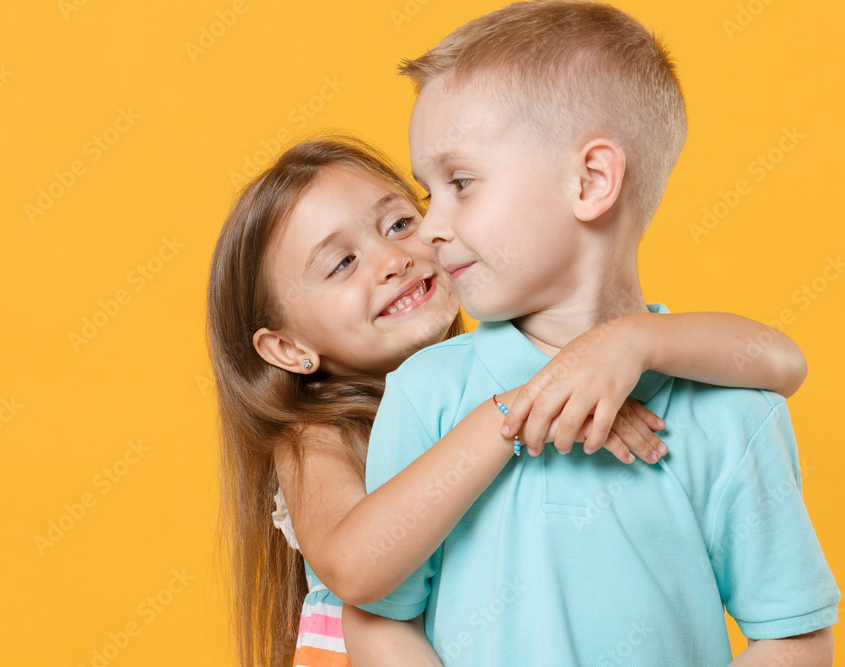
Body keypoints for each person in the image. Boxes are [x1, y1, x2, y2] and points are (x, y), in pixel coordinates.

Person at [350, 2, 839, 665]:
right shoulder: (428, 392)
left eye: (461, 182)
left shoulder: (728, 406)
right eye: (428, 191)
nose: (431, 225)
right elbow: (379, 614)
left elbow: (794, 634)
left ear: (592, 180)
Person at [208, 135, 812, 666]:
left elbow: (784, 363)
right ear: (287, 348)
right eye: (342, 263)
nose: (393, 260)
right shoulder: (314, 436)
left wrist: (635, 342)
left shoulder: (486, 369)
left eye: (398, 224)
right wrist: (524, 407)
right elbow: (356, 569)